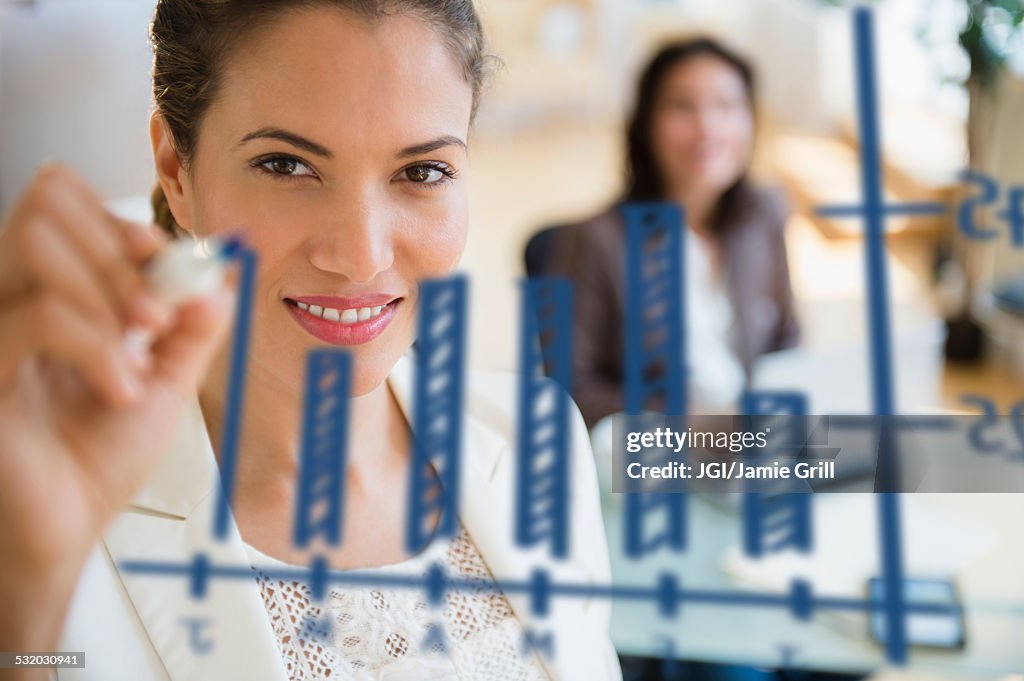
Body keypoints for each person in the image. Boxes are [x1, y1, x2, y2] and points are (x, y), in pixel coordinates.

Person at [0, 2, 620, 680]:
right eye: (285, 164)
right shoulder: (52, 497)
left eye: (422, 172)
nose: (361, 254)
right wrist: (25, 595)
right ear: (178, 172)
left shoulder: (537, 441)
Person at [551, 37, 800, 428]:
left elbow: (787, 339)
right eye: (682, 106)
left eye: (727, 106)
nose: (707, 128)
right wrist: (687, 426)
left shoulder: (764, 214)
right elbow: (569, 389)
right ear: (646, 124)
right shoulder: (597, 241)